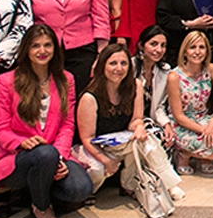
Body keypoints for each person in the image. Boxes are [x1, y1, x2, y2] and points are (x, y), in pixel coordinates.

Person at [0, 24, 93, 218]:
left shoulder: (66, 79)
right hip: (19, 157)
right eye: (35, 46)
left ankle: (40, 189)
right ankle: (41, 207)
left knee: (81, 188)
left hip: (54, 153)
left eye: (47, 45)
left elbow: (67, 124)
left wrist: (61, 158)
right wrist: (21, 142)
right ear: (26, 49)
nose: (42, 51)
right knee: (44, 154)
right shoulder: (6, 81)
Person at [74, 44, 184, 199]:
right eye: (113, 63)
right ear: (103, 65)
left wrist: (139, 127)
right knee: (97, 169)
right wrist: (106, 160)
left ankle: (167, 185)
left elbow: (136, 119)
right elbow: (87, 138)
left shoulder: (135, 85)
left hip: (120, 142)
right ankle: (87, 193)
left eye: (123, 63)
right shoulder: (89, 97)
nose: (118, 68)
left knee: (148, 141)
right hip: (95, 147)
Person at [167, 31, 213, 175]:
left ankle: (203, 155)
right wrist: (205, 131)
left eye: (201, 47)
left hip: (204, 118)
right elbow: (179, 116)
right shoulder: (174, 76)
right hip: (183, 125)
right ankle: (185, 154)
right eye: (193, 47)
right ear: (185, 51)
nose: (197, 52)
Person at [133, 26, 177, 148]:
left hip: (152, 119)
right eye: (153, 44)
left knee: (168, 135)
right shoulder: (130, 67)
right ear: (141, 45)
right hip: (131, 120)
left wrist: (166, 125)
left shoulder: (165, 71)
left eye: (163, 45)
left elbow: (159, 107)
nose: (159, 49)